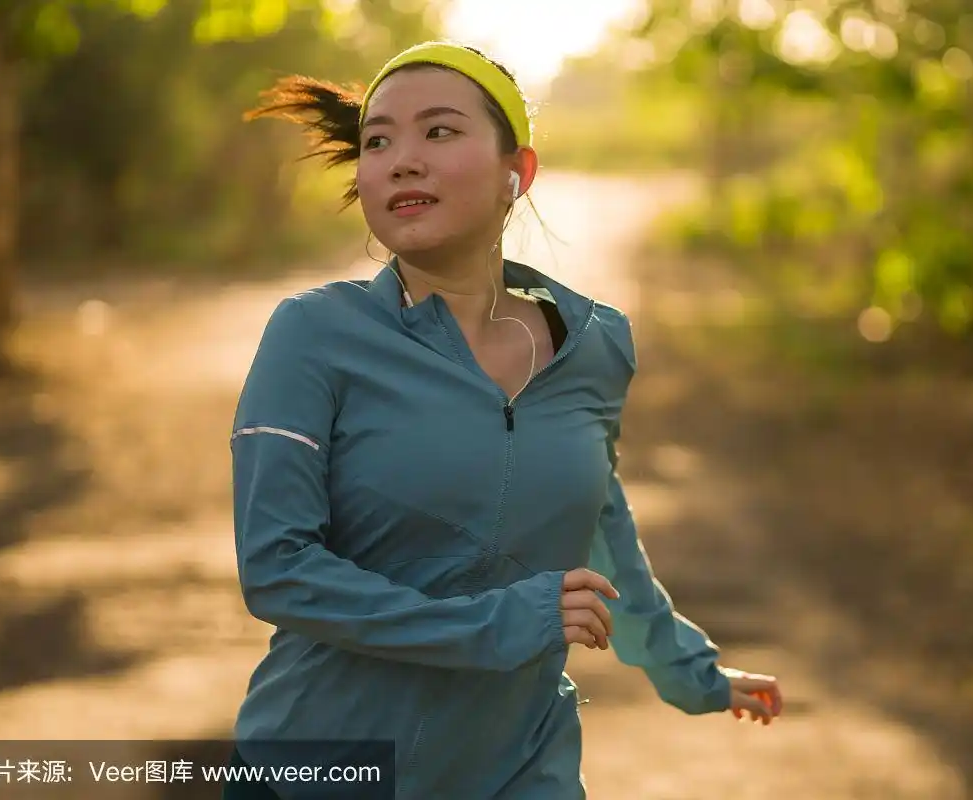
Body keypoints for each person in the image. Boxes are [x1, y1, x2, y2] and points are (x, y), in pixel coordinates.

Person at [224, 40, 782, 800]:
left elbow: (597, 518)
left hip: (519, 769)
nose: (401, 159)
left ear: (517, 173)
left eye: (440, 132)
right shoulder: (314, 334)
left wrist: (689, 669)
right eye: (378, 140)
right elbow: (278, 567)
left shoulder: (595, 342)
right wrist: (500, 623)